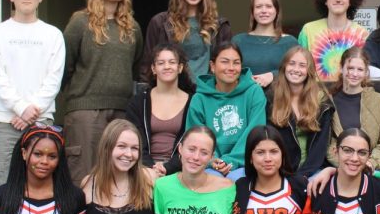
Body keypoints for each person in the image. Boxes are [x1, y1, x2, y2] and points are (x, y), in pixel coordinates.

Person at [61, 0, 143, 186]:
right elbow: (65, 65)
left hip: (121, 110)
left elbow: (134, 66)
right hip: (85, 111)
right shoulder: (80, 23)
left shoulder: (132, 27)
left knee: (117, 176)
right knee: (83, 177)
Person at [0, 0, 65, 191]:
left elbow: (54, 79)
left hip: (41, 120)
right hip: (6, 120)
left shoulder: (53, 34)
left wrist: (31, 112)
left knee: (42, 182)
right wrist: (20, 108)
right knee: (2, 184)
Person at [184, 41, 267, 179]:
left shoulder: (253, 92)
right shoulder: (199, 99)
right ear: (212, 66)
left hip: (244, 163)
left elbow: (255, 133)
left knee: (238, 179)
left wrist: (231, 161)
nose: (231, 67)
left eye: (236, 62)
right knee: (210, 180)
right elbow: (195, 137)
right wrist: (212, 160)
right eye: (225, 62)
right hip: (208, 163)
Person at [142, 0, 231, 81]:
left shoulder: (219, 26)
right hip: (173, 92)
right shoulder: (160, 23)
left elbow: (227, 66)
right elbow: (147, 66)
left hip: (207, 93)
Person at [125, 43, 195, 177]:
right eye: (161, 63)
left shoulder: (193, 102)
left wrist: (167, 168)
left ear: (180, 68)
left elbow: (193, 143)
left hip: (182, 168)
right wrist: (151, 169)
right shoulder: (138, 102)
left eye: (172, 62)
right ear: (153, 68)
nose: (167, 66)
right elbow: (135, 141)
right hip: (143, 168)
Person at [268, 46, 335, 180]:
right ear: (284, 67)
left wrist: (303, 175)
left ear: (309, 71)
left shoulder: (321, 102)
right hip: (279, 171)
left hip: (312, 170)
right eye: (291, 64)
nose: (296, 69)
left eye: (302, 65)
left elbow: (320, 147)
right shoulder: (271, 98)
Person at [326, 46, 380, 173]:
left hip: (372, 168)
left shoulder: (379, 101)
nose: (355, 74)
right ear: (341, 68)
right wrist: (347, 163)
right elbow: (327, 144)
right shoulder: (328, 101)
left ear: (366, 72)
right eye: (350, 68)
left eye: (360, 69)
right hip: (339, 168)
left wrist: (369, 163)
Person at [297, 0, 369, 82]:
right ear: (325, 0)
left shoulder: (362, 34)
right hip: (314, 96)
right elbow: (299, 66)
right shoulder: (308, 30)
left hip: (350, 95)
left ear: (350, 1)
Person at [232, 0, 299, 89]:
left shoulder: (290, 43)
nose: (264, 10)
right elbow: (229, 70)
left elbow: (299, 72)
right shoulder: (238, 41)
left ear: (276, 10)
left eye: (269, 6)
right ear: (252, 11)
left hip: (279, 101)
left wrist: (273, 75)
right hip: (245, 100)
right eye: (258, 6)